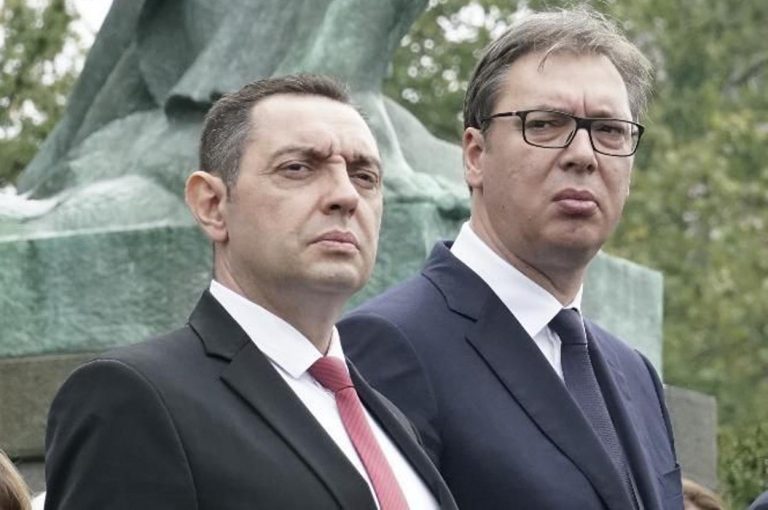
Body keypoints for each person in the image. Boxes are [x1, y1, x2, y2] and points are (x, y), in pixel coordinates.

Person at [44, 74, 457, 510]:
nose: (345, 195)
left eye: (365, 176)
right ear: (211, 204)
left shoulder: (390, 418)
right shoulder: (132, 398)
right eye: (298, 168)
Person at [339, 7, 683, 510]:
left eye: (610, 130)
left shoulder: (636, 374)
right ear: (475, 155)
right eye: (545, 124)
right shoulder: (388, 345)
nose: (583, 154)